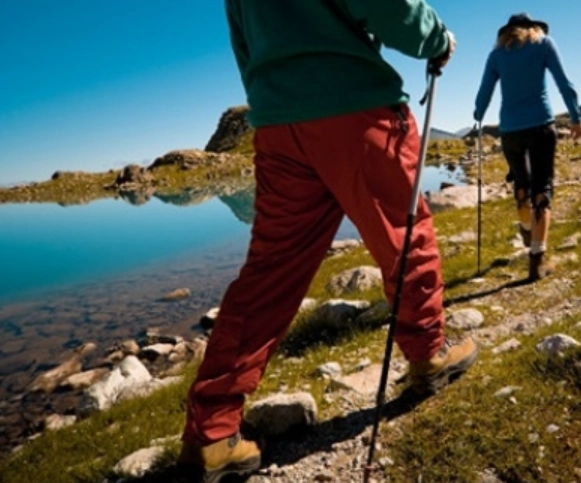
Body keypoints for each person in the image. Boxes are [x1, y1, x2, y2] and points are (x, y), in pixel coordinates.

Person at [177, 1, 478, 481]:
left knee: (268, 275)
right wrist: (435, 38)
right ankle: (428, 355)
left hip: (278, 126)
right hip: (356, 109)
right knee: (403, 237)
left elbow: (243, 45)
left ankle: (211, 432)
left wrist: (275, 96)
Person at [473, 13, 581, 282]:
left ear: (508, 31)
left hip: (510, 131)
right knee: (542, 189)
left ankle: (525, 225)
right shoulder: (544, 43)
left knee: (521, 185)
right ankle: (537, 262)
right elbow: (563, 82)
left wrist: (478, 115)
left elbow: (484, 93)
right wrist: (576, 117)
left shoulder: (497, 54)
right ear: (533, 27)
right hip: (541, 126)